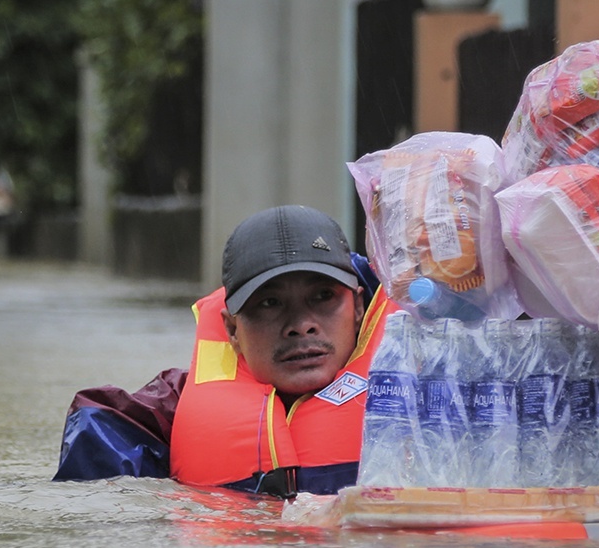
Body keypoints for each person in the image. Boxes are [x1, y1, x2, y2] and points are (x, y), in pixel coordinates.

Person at [55, 206, 397, 497]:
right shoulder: (174, 404)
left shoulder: (413, 382)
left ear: (356, 308)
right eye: (270, 303)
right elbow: (99, 426)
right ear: (232, 329)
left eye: (323, 297)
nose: (301, 325)